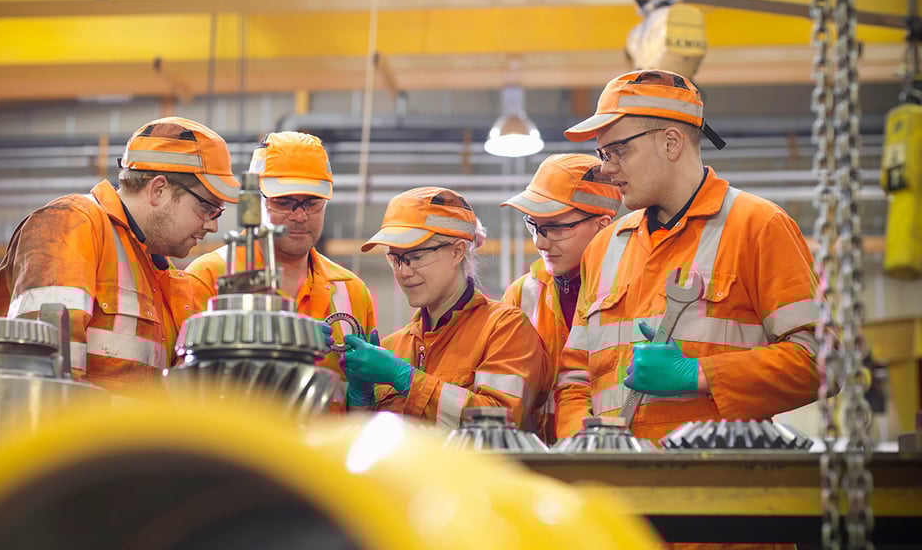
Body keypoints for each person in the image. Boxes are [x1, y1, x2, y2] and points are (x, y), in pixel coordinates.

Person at [557, 69, 821, 443]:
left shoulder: (759, 227)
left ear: (670, 143)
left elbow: (820, 362)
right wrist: (580, 443)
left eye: (618, 150)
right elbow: (575, 377)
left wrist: (697, 373)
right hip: (613, 481)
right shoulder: (604, 247)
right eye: (602, 153)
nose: (605, 167)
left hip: (716, 483)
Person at [0, 117, 239, 395]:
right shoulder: (72, 223)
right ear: (159, 189)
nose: (212, 225)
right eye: (208, 208)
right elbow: (43, 376)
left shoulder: (158, 271)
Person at [186, 131, 377, 406]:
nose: (299, 215)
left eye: (312, 203)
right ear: (253, 200)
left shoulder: (351, 290)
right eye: (283, 202)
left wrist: (365, 400)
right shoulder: (208, 277)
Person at [341, 186, 552, 432]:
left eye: (416, 256)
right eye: (395, 258)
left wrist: (409, 381)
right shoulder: (392, 346)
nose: (404, 272)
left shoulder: (505, 330)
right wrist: (360, 402)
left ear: (457, 251)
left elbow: (499, 424)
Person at [500, 153, 621, 442]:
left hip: (614, 460)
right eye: (534, 226)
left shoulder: (633, 291)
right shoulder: (522, 294)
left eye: (554, 227)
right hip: (537, 463)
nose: (541, 242)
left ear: (603, 226)